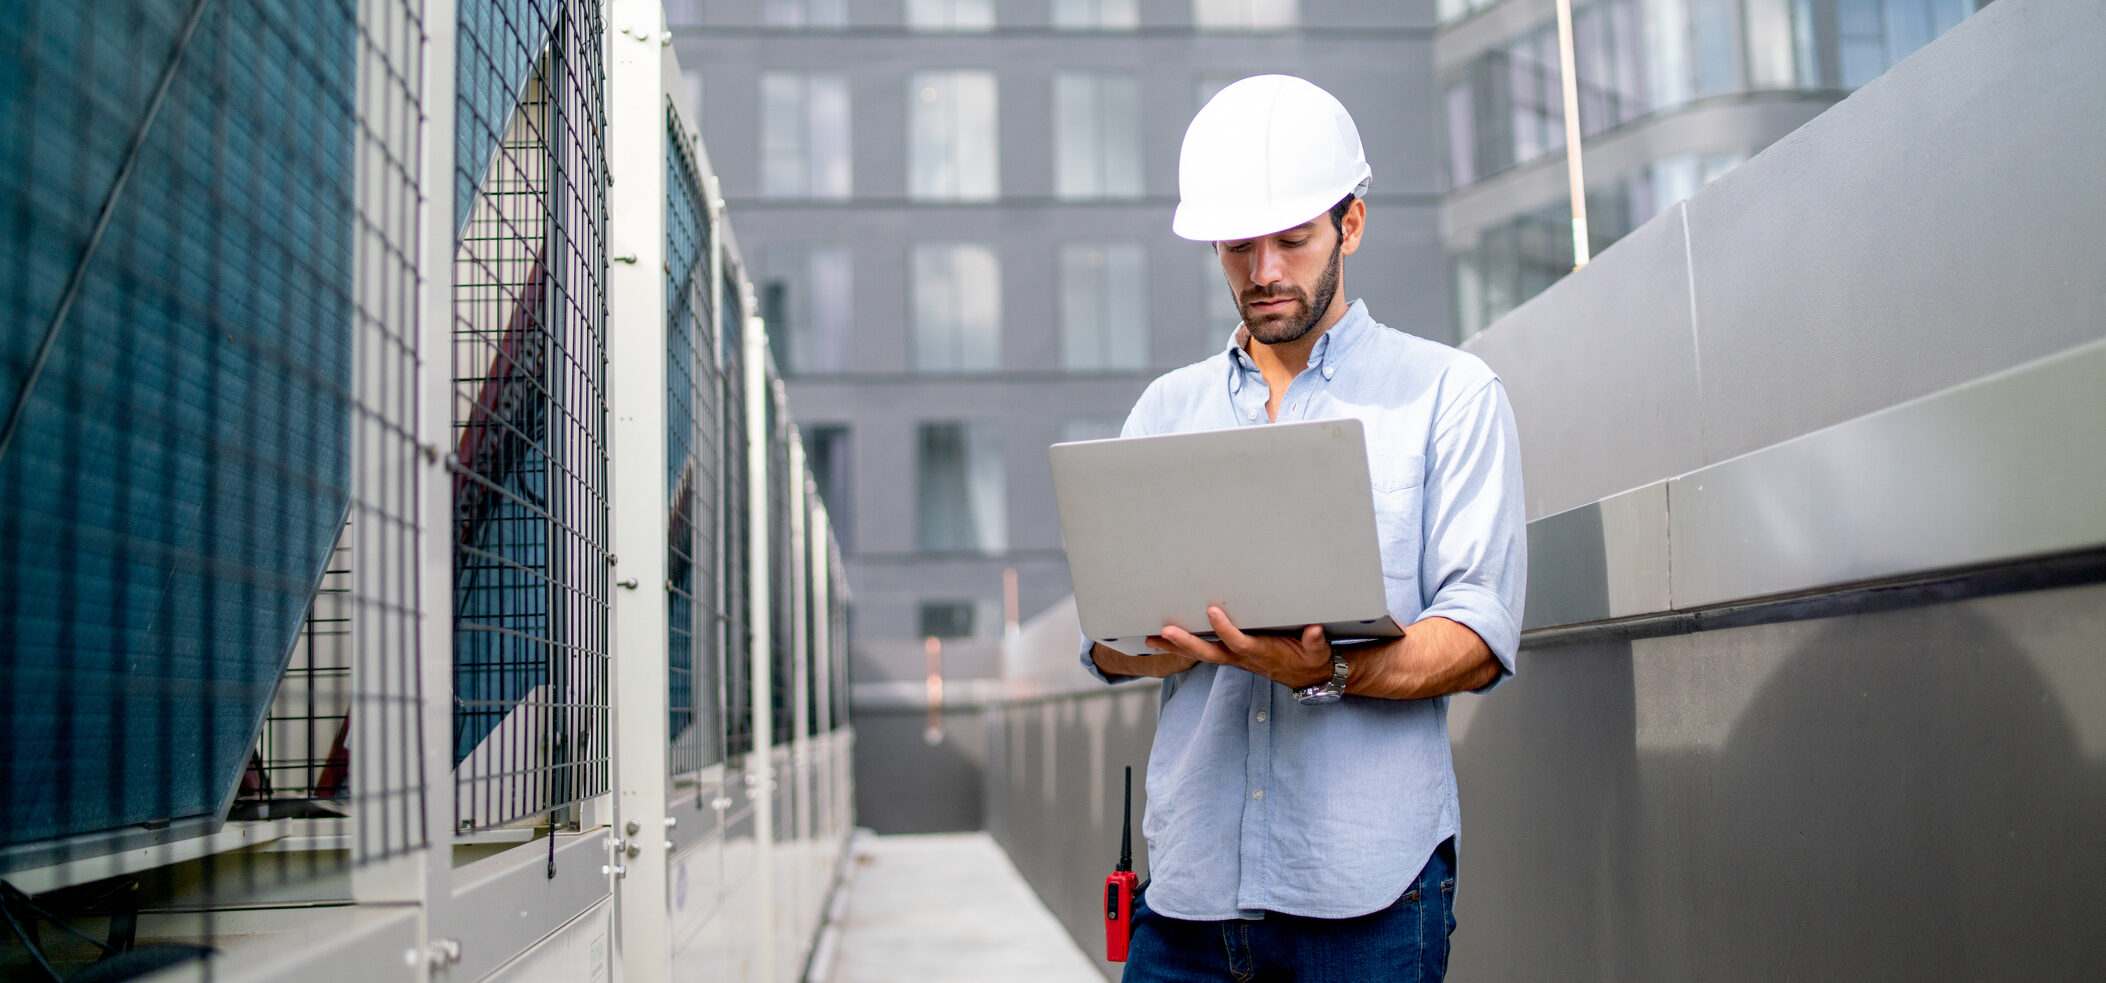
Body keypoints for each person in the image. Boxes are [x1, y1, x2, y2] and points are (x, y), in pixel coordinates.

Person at [1078, 75, 1527, 981]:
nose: (1264, 271)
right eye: (1239, 246)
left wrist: (1328, 670)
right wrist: (1172, 644)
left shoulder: (1447, 393)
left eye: (1292, 240)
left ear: (1350, 225)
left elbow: (1479, 633)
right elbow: (1104, 643)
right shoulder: (1167, 410)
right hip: (1188, 901)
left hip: (1368, 901)